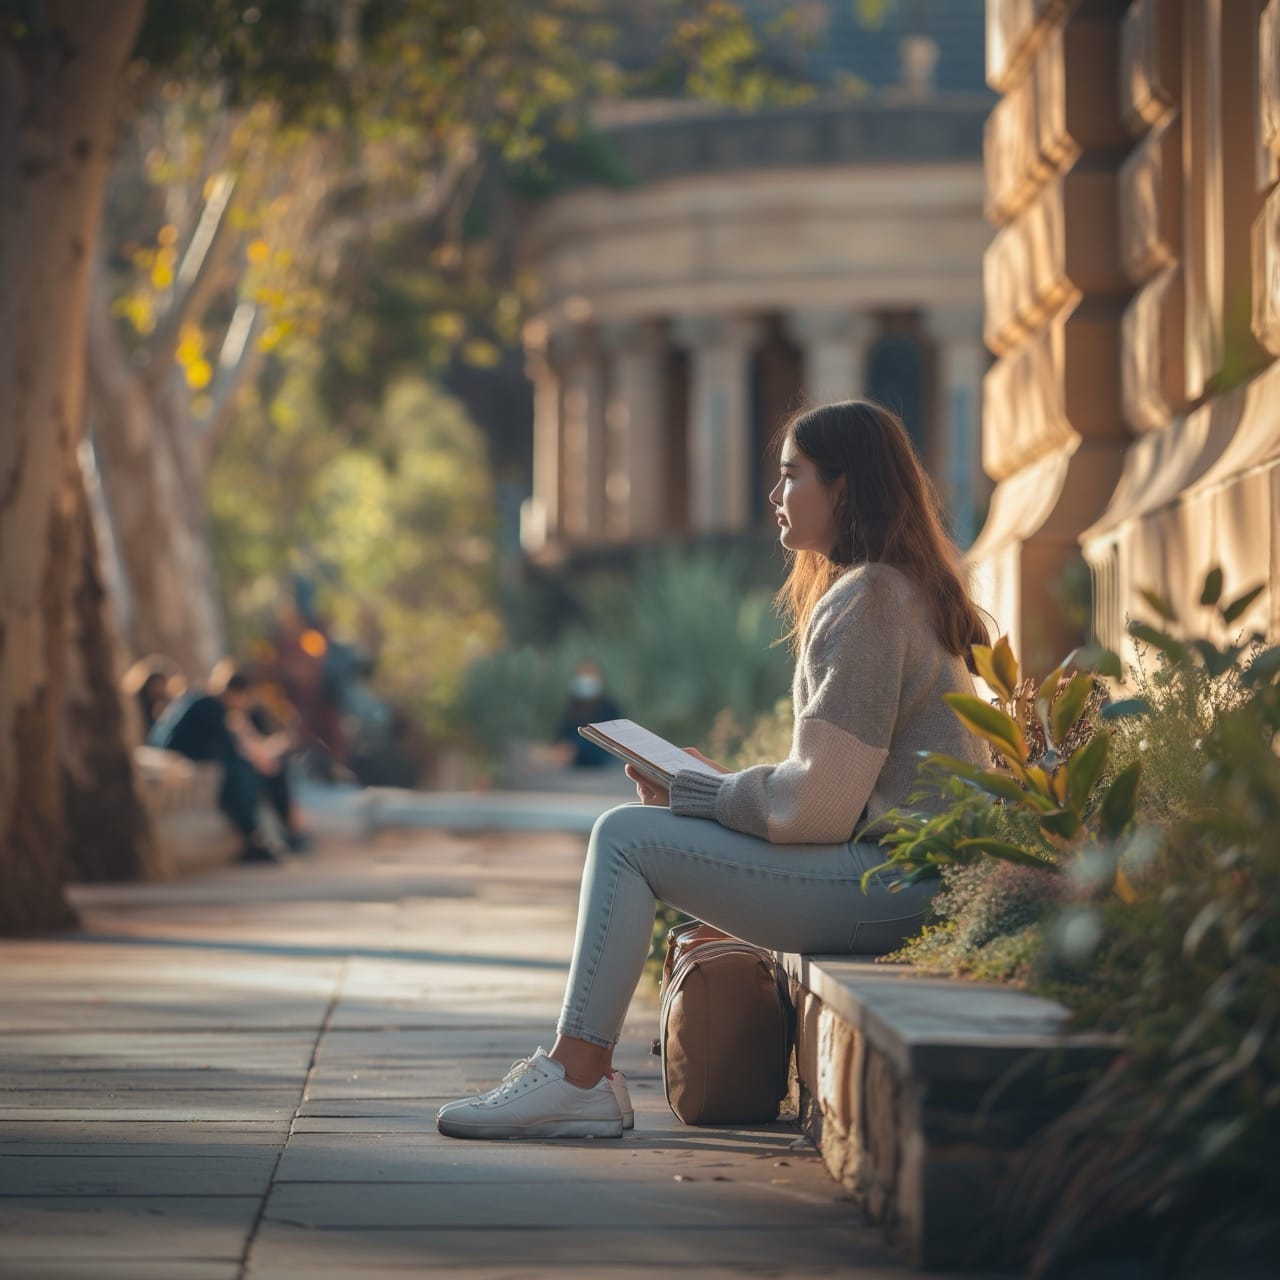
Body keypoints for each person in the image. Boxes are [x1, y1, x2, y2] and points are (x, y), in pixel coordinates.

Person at [435, 400, 991, 1140]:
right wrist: (712, 784)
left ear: (845, 488)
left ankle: (576, 1079)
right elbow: (836, 791)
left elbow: (818, 808)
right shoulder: (890, 589)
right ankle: (577, 1075)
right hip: (903, 876)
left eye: (792, 476)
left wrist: (694, 792)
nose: (775, 495)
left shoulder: (872, 600)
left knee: (628, 839)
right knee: (635, 832)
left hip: (899, 885)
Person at [149, 662, 307, 863]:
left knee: (252, 771)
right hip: (182, 754)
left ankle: (277, 834)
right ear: (237, 693)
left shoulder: (208, 702)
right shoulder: (211, 705)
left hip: (190, 755)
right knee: (243, 774)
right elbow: (229, 750)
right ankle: (255, 838)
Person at [552, 659, 622, 768]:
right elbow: (563, 739)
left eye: (590, 674)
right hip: (576, 770)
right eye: (583, 674)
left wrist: (579, 747)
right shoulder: (571, 708)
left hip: (605, 768)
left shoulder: (610, 708)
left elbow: (614, 742)